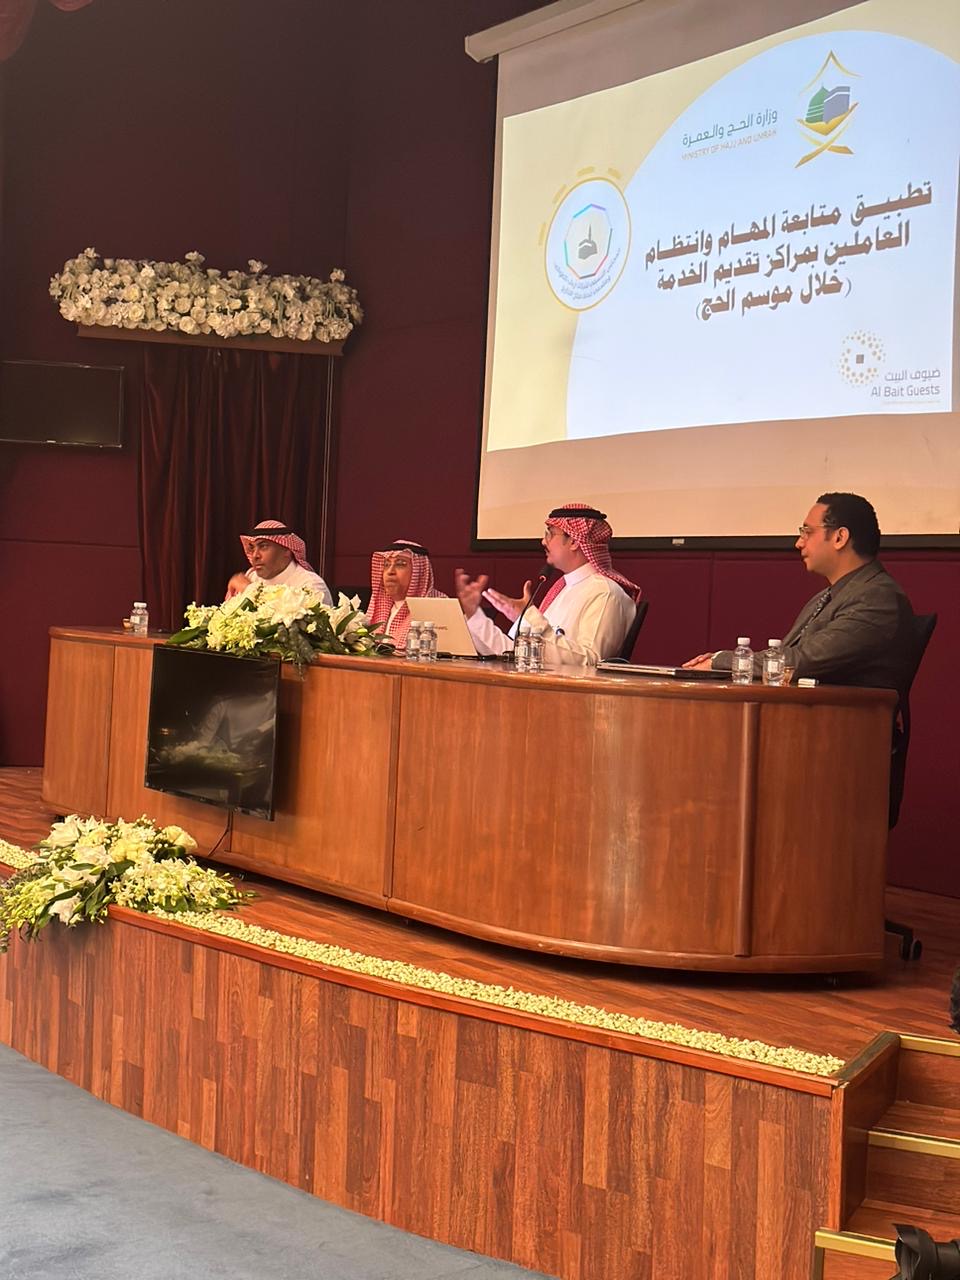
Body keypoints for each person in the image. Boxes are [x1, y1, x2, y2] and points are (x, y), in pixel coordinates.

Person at [683, 492, 916, 691]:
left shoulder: (876, 598)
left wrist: (721, 661)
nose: (799, 543)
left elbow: (800, 662)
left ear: (839, 537)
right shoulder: (828, 596)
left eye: (807, 532)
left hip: (840, 723)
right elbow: (784, 657)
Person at [455, 503, 640, 667]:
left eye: (550, 534)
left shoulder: (605, 593)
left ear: (574, 541)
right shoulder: (562, 588)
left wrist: (531, 617)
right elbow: (512, 654)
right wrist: (473, 615)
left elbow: (590, 662)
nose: (543, 541)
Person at [226, 519, 332, 604]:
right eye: (252, 548)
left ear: (287, 550)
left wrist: (250, 590)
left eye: (263, 546)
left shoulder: (311, 585)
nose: (255, 556)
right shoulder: (252, 577)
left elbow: (287, 621)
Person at [366, 540, 446, 647]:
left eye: (400, 564)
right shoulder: (380, 608)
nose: (390, 571)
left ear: (419, 572)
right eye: (386, 564)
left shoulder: (439, 606)